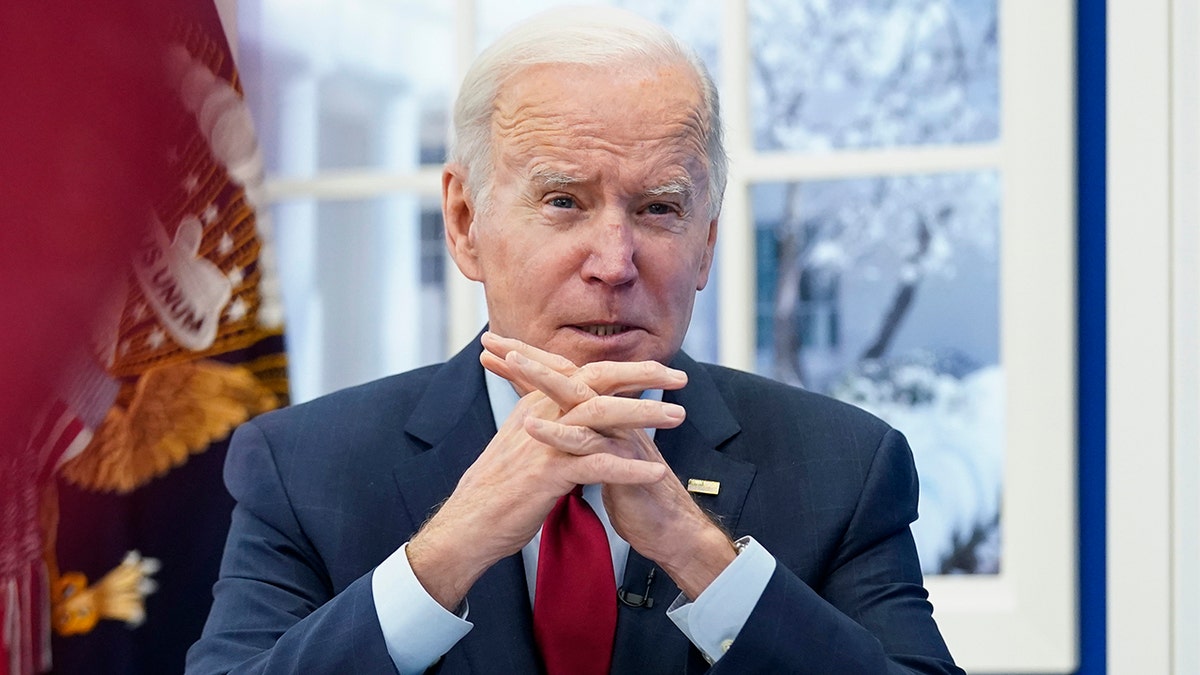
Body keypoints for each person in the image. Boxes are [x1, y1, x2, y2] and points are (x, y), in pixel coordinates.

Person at [187, 7, 962, 674]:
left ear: (708, 242)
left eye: (660, 208)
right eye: (563, 200)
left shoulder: (846, 469)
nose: (615, 262)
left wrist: (702, 555)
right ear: (464, 222)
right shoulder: (302, 469)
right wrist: (448, 551)